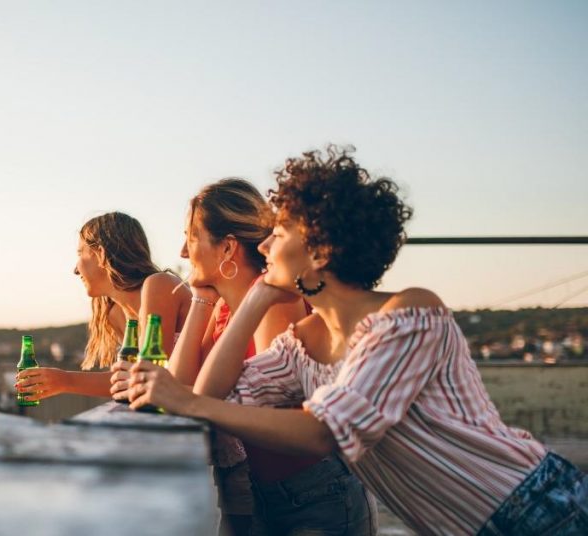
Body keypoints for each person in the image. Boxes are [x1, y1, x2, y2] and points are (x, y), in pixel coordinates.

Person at [124, 146, 587, 535]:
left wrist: (187, 402)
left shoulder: (410, 313)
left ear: (320, 249)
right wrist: (255, 299)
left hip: (539, 509)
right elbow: (215, 394)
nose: (264, 245)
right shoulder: (302, 342)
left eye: (279, 232)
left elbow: (325, 432)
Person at [112, 178, 372, 535]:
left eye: (191, 237)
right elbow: (183, 384)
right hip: (269, 494)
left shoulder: (277, 306)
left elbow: (217, 403)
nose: (183, 253)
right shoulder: (224, 309)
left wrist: (185, 398)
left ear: (227, 249)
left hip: (316, 497)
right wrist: (201, 298)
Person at [16, 212, 191, 402]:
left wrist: (66, 379)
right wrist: (62, 381)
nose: (75, 269)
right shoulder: (117, 313)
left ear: (100, 253)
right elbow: (127, 382)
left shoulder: (160, 285)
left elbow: (149, 377)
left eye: (80, 253)